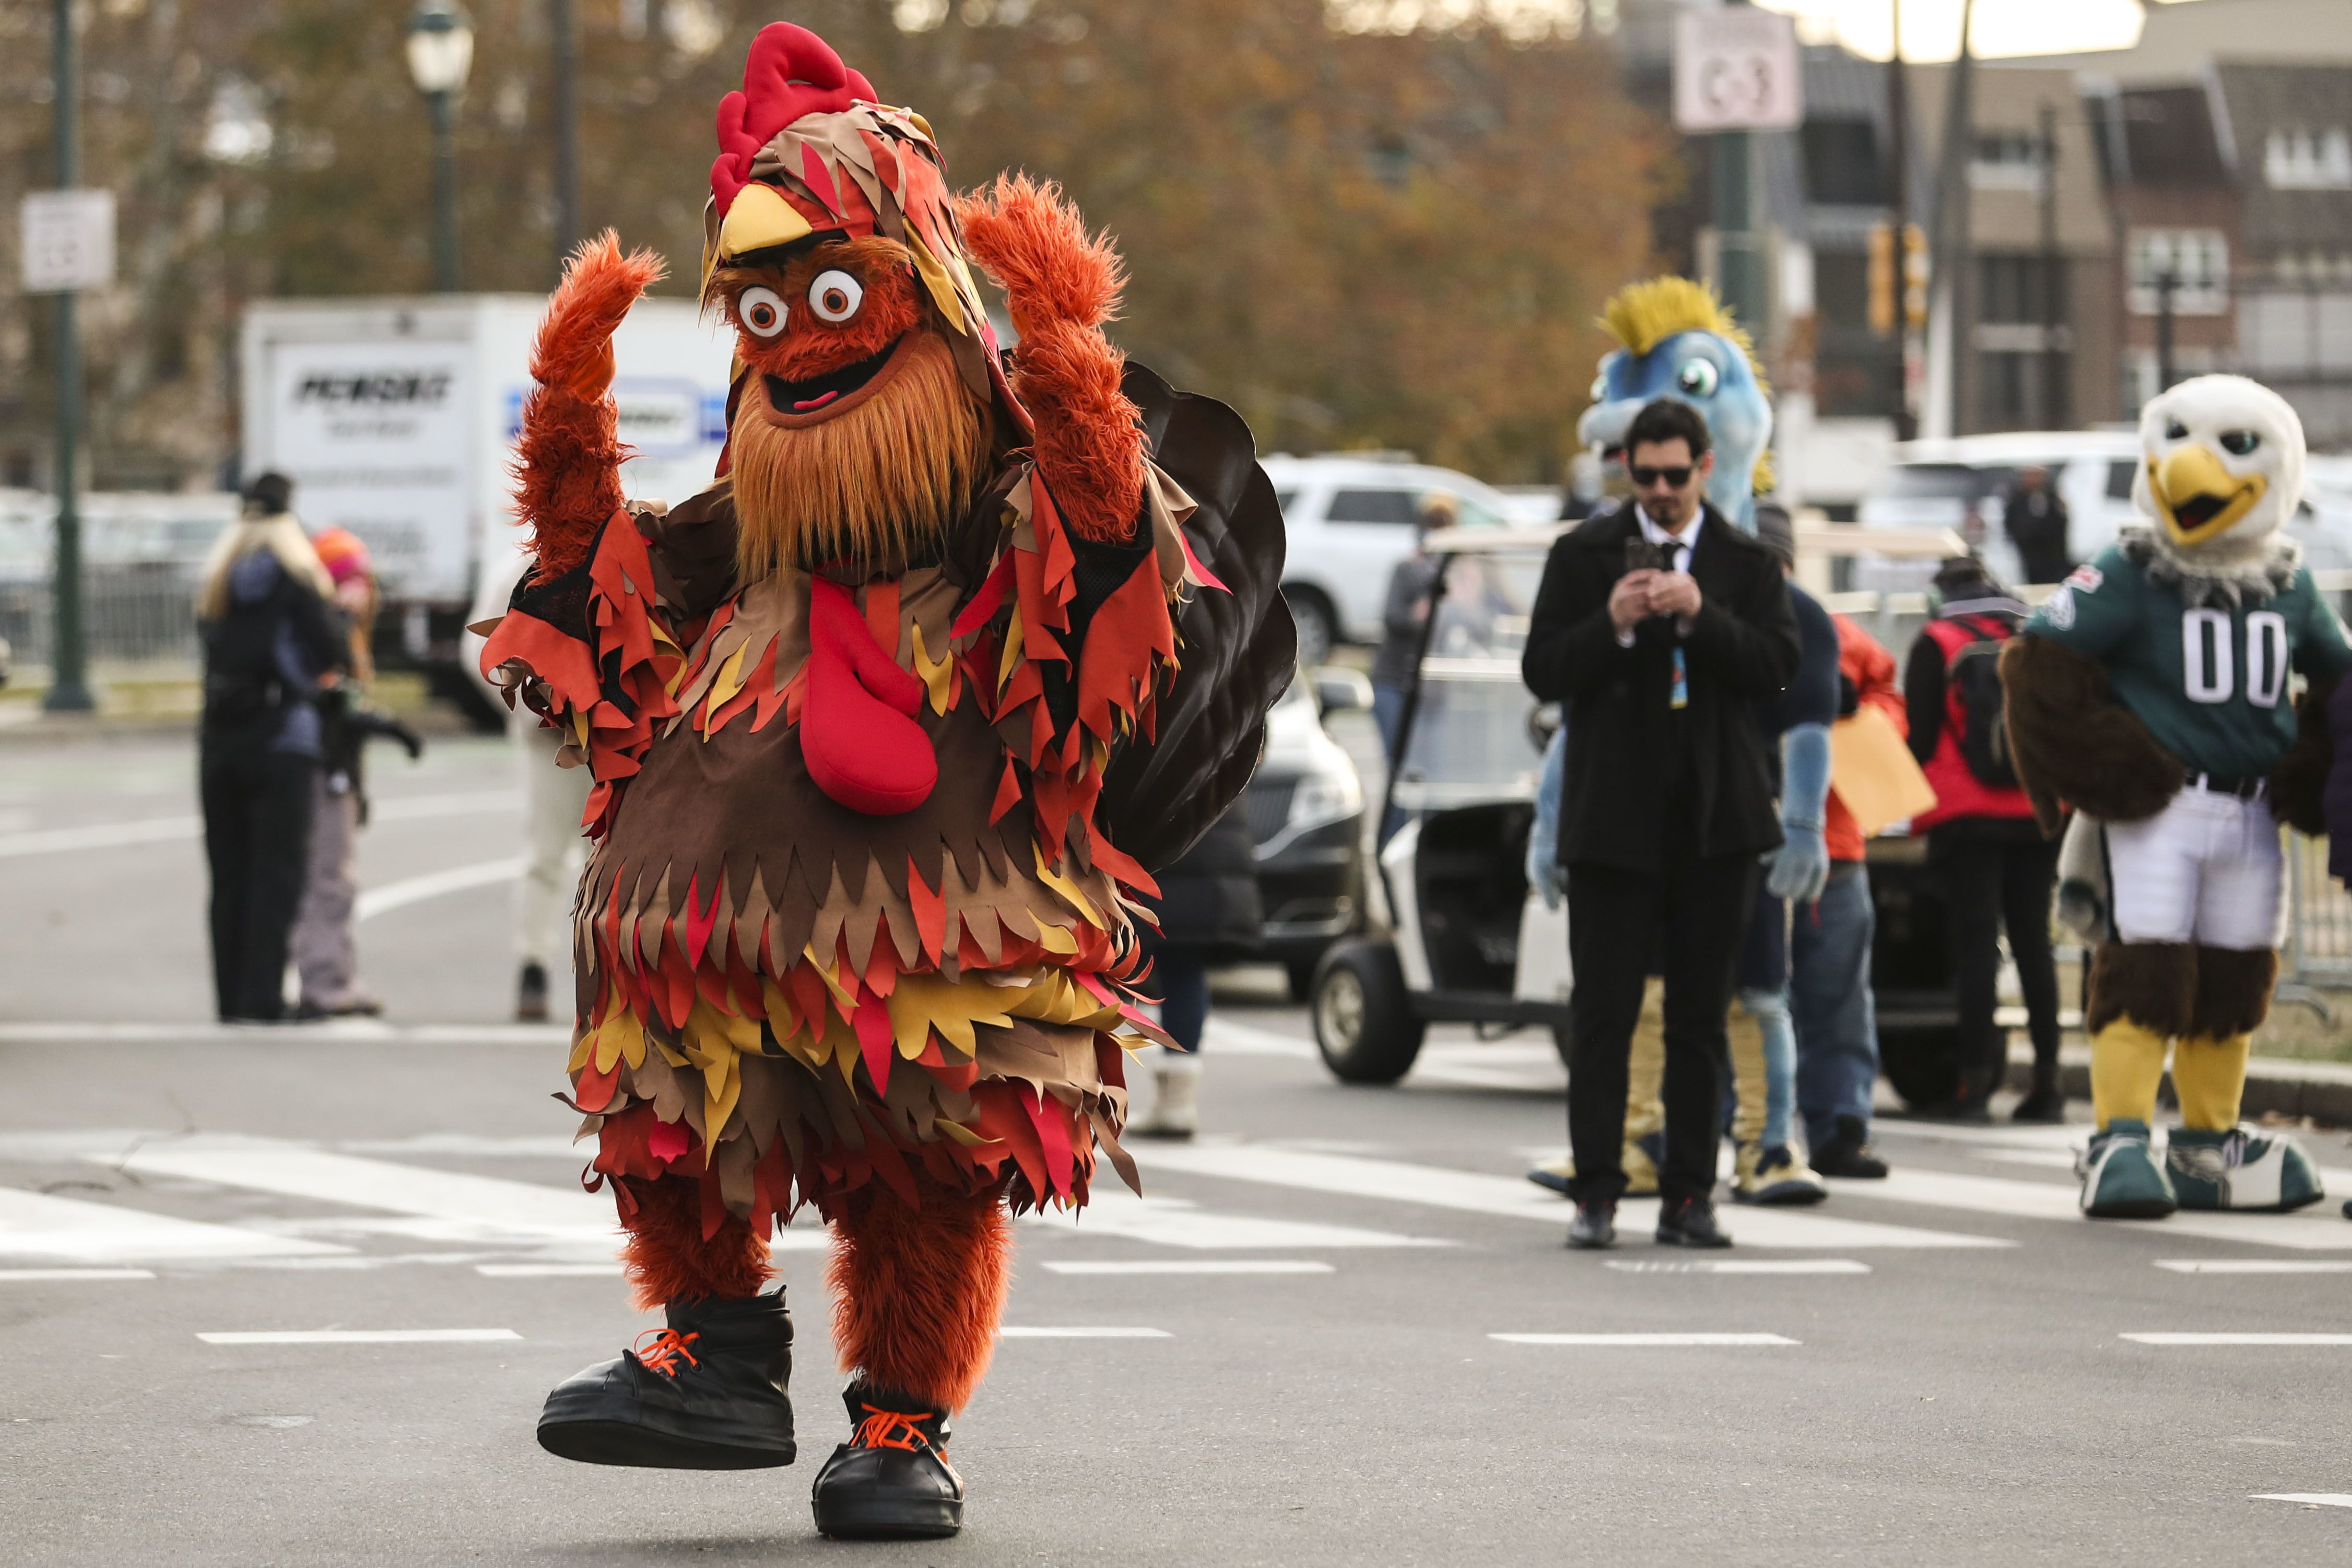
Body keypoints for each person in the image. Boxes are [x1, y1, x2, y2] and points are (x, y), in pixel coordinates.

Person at [479, 26, 1292, 1540]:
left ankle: (903, 1422)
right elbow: (599, 600)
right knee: (664, 1081)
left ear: (915, 294)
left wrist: (1062, 349)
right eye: (765, 311)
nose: (798, 340)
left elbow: (1105, 562)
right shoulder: (742, 525)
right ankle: (714, 1350)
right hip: (713, 934)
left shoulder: (990, 500)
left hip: (942, 909)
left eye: (832, 296)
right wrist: (568, 420)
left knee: (934, 1144)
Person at [1521, 397, 1799, 1251]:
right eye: (1643, 477)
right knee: (1602, 1015)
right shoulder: (1583, 555)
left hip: (1714, 826)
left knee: (1697, 1019)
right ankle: (1595, 1190)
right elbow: (1541, 668)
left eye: (1675, 476)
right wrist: (1611, 621)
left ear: (1705, 469)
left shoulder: (1745, 561)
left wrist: (1696, 612)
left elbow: (1779, 671)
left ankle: (1689, 1194)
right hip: (1611, 822)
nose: (1659, 492)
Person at [1904, 556, 2062, 1122]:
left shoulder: (1937, 641)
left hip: (1968, 815)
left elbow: (1920, 740)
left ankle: (1974, 1086)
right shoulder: (2031, 636)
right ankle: (2047, 1086)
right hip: (2039, 809)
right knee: (2033, 944)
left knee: (1976, 949)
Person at [195, 472, 348, 1023]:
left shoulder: (217, 579)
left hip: (219, 739)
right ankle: (262, 998)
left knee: (228, 872)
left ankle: (229, 999)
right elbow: (332, 651)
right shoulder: (297, 576)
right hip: (284, 737)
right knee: (276, 873)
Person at [289, 527, 423, 1019]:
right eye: (354, 578)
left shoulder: (346, 631)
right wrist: (386, 728)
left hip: (337, 771)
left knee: (333, 878)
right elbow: (334, 711)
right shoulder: (331, 631)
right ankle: (324, 981)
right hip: (327, 770)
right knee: (329, 879)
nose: (365, 590)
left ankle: (335, 975)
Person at [1797, 607, 1902, 1177]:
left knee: (1838, 999)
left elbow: (1891, 700)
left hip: (1835, 845)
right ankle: (1734, 1129)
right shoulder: (1722, 615)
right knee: (1749, 1003)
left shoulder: (1831, 630)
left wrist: (1859, 710)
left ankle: (1840, 1128)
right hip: (1767, 844)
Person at [1132, 801, 1263, 1139]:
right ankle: (1177, 1098)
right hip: (1215, 836)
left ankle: (1170, 1101)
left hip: (1169, 842)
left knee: (1163, 966)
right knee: (1184, 970)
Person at [1368, 492, 1454, 762]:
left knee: (1428, 766)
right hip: (1394, 681)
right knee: (1401, 765)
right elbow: (1394, 617)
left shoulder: (1462, 575)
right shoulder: (1407, 570)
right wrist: (1422, 615)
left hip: (1432, 688)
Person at [2002, 465, 2072, 586]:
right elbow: (2012, 525)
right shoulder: (2016, 500)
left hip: (2053, 557)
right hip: (2029, 556)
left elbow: (2061, 523)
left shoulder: (2053, 498)